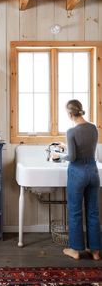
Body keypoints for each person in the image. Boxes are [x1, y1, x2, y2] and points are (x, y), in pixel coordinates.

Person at [51, 99, 101, 260]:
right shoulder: (93, 128)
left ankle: (76, 250)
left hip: (77, 173)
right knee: (93, 211)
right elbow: (85, 148)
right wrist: (66, 146)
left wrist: (59, 155)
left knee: (75, 211)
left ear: (70, 113)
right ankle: (95, 251)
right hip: (93, 173)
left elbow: (73, 157)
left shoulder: (71, 132)